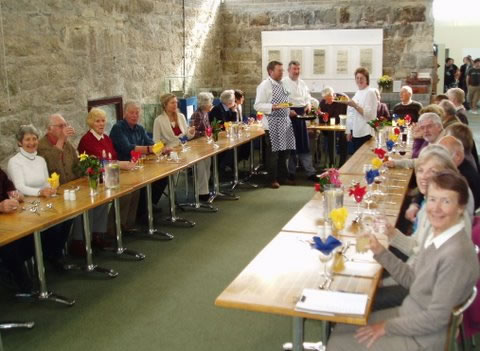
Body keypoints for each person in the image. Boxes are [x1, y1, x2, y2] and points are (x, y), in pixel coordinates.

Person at [328, 170, 478, 351]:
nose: (436, 208)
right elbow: (413, 280)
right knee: (342, 325)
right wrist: (380, 251)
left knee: (338, 343)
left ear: (460, 207)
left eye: (446, 201)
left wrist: (386, 327)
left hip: (422, 339)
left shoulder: (456, 255)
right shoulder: (439, 236)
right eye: (432, 199)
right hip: (409, 315)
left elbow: (436, 319)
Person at [375, 145, 473, 310]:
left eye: (433, 172)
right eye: (420, 170)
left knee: (361, 296)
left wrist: (383, 281)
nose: (424, 177)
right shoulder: (431, 202)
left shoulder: (445, 216)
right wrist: (392, 233)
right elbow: (417, 248)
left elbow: (416, 278)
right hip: (419, 276)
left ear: (448, 174)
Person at [9, 124, 71, 270]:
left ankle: (53, 254)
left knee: (67, 217)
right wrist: (39, 192)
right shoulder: (15, 162)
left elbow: (45, 182)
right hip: (26, 206)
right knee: (53, 224)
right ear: (20, 142)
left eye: (34, 139)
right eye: (27, 140)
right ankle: (51, 256)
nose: (32, 143)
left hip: (43, 201)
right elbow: (19, 187)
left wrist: (49, 189)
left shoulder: (40, 160)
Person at [77, 108, 139, 237]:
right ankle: (110, 230)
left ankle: (125, 224)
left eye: (103, 121)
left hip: (112, 175)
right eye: (97, 121)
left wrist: (123, 164)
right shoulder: (87, 140)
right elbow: (96, 164)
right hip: (96, 179)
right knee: (125, 193)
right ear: (90, 123)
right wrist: (119, 164)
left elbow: (113, 157)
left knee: (134, 188)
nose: (101, 124)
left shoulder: (106, 138)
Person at [110, 102, 168, 226]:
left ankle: (148, 205)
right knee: (141, 182)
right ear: (125, 113)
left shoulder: (140, 128)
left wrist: (162, 148)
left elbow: (150, 143)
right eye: (132, 113)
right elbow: (128, 148)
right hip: (124, 168)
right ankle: (141, 212)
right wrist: (149, 149)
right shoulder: (118, 128)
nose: (134, 115)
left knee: (163, 176)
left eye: (137, 113)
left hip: (140, 164)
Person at [254, 60, 296, 189]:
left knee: (285, 153)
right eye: (279, 70)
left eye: (282, 70)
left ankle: (283, 177)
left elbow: (285, 102)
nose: (282, 73)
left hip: (285, 123)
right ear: (270, 71)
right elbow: (257, 105)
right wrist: (273, 106)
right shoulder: (264, 85)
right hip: (272, 124)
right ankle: (272, 179)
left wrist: (289, 110)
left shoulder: (283, 84)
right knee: (274, 155)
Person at [283, 60, 318, 182]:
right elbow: (278, 102)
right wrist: (288, 111)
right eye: (294, 69)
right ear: (288, 70)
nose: (296, 71)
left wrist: (308, 104)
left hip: (302, 116)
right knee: (291, 146)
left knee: (304, 145)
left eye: (298, 69)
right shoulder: (282, 83)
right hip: (289, 117)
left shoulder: (302, 83)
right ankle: (291, 172)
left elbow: (307, 97)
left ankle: (310, 172)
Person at [0, 168, 33, 293]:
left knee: (31, 234)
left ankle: (7, 268)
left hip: (6, 220)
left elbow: (9, 188)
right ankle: (24, 284)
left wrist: (16, 195)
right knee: (9, 245)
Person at [438, 135, 480, 210]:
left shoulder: (461, 177)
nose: (439, 160)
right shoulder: (462, 164)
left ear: (457, 156)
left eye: (443, 155)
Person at [344, 67, 378, 153]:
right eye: (357, 78)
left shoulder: (370, 92)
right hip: (356, 131)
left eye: (362, 78)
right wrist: (349, 131)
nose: (359, 80)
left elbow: (369, 115)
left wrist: (355, 105)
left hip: (365, 132)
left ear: (367, 79)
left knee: (362, 160)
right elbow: (351, 114)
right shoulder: (357, 93)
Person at [189, 92, 214, 201]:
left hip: (205, 143)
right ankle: (202, 192)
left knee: (208, 163)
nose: (211, 105)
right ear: (205, 104)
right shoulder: (197, 114)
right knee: (201, 167)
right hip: (196, 145)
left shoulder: (205, 113)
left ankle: (206, 189)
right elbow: (193, 132)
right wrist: (204, 133)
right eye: (210, 103)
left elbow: (207, 128)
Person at [318, 86, 348, 166]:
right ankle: (332, 162)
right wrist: (323, 117)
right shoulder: (323, 102)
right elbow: (321, 117)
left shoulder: (342, 98)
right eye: (325, 99)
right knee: (330, 136)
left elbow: (350, 111)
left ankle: (342, 163)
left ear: (333, 95)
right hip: (331, 127)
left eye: (328, 99)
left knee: (343, 137)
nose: (327, 102)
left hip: (344, 126)